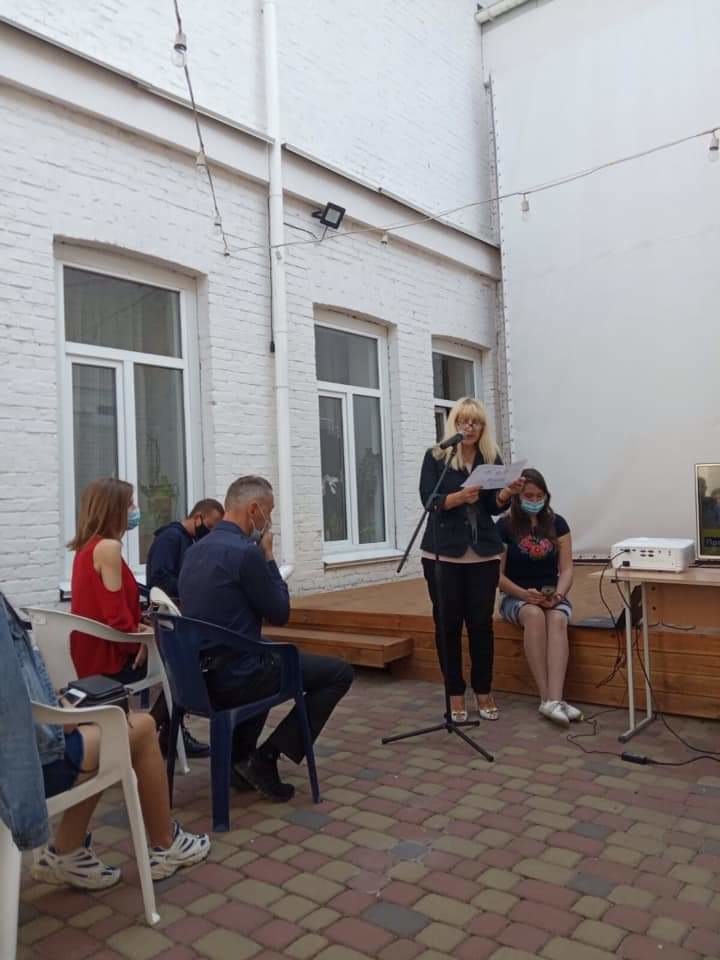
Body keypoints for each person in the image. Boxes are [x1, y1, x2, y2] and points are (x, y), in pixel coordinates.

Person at [2, 590, 209, 889]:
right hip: (24, 776)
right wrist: (65, 717)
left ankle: (67, 851)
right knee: (141, 728)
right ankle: (166, 845)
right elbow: (17, 719)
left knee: (104, 727)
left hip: (82, 663)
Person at [179, 475, 354, 802]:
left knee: (267, 653)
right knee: (338, 673)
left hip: (195, 677)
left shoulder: (194, 550)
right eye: (269, 512)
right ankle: (266, 758)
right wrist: (269, 557)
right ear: (253, 510)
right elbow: (279, 613)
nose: (269, 520)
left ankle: (238, 758)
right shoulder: (247, 553)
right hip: (235, 677)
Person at [68, 478, 207, 758]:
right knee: (190, 664)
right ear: (114, 509)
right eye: (130, 503)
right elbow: (116, 619)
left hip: (88, 652)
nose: (135, 509)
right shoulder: (109, 548)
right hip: (109, 657)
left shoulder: (86, 548)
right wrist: (138, 643)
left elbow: (105, 609)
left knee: (182, 658)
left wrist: (140, 627)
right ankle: (155, 732)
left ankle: (160, 732)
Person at [419, 397, 525, 722]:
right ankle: (454, 693)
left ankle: (483, 690)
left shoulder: (490, 457)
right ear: (454, 424)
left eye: (476, 422)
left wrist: (507, 493)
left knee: (480, 624)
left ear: (482, 427)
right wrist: (457, 498)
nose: (470, 427)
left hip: (482, 553)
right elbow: (429, 500)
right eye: (464, 421)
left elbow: (492, 506)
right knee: (447, 625)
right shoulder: (436, 456)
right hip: (443, 552)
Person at [497, 467, 581, 726]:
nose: (534, 501)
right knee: (534, 616)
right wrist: (523, 594)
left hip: (551, 595)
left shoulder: (558, 523)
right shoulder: (504, 526)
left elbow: (567, 569)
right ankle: (546, 698)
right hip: (516, 596)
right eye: (528, 496)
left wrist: (559, 594)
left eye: (539, 496)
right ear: (517, 497)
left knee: (557, 619)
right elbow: (496, 575)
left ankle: (556, 698)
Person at [146, 498, 224, 600]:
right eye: (209, 526)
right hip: (169, 604)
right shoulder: (170, 537)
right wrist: (191, 589)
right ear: (197, 518)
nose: (210, 532)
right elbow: (160, 577)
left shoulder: (189, 539)